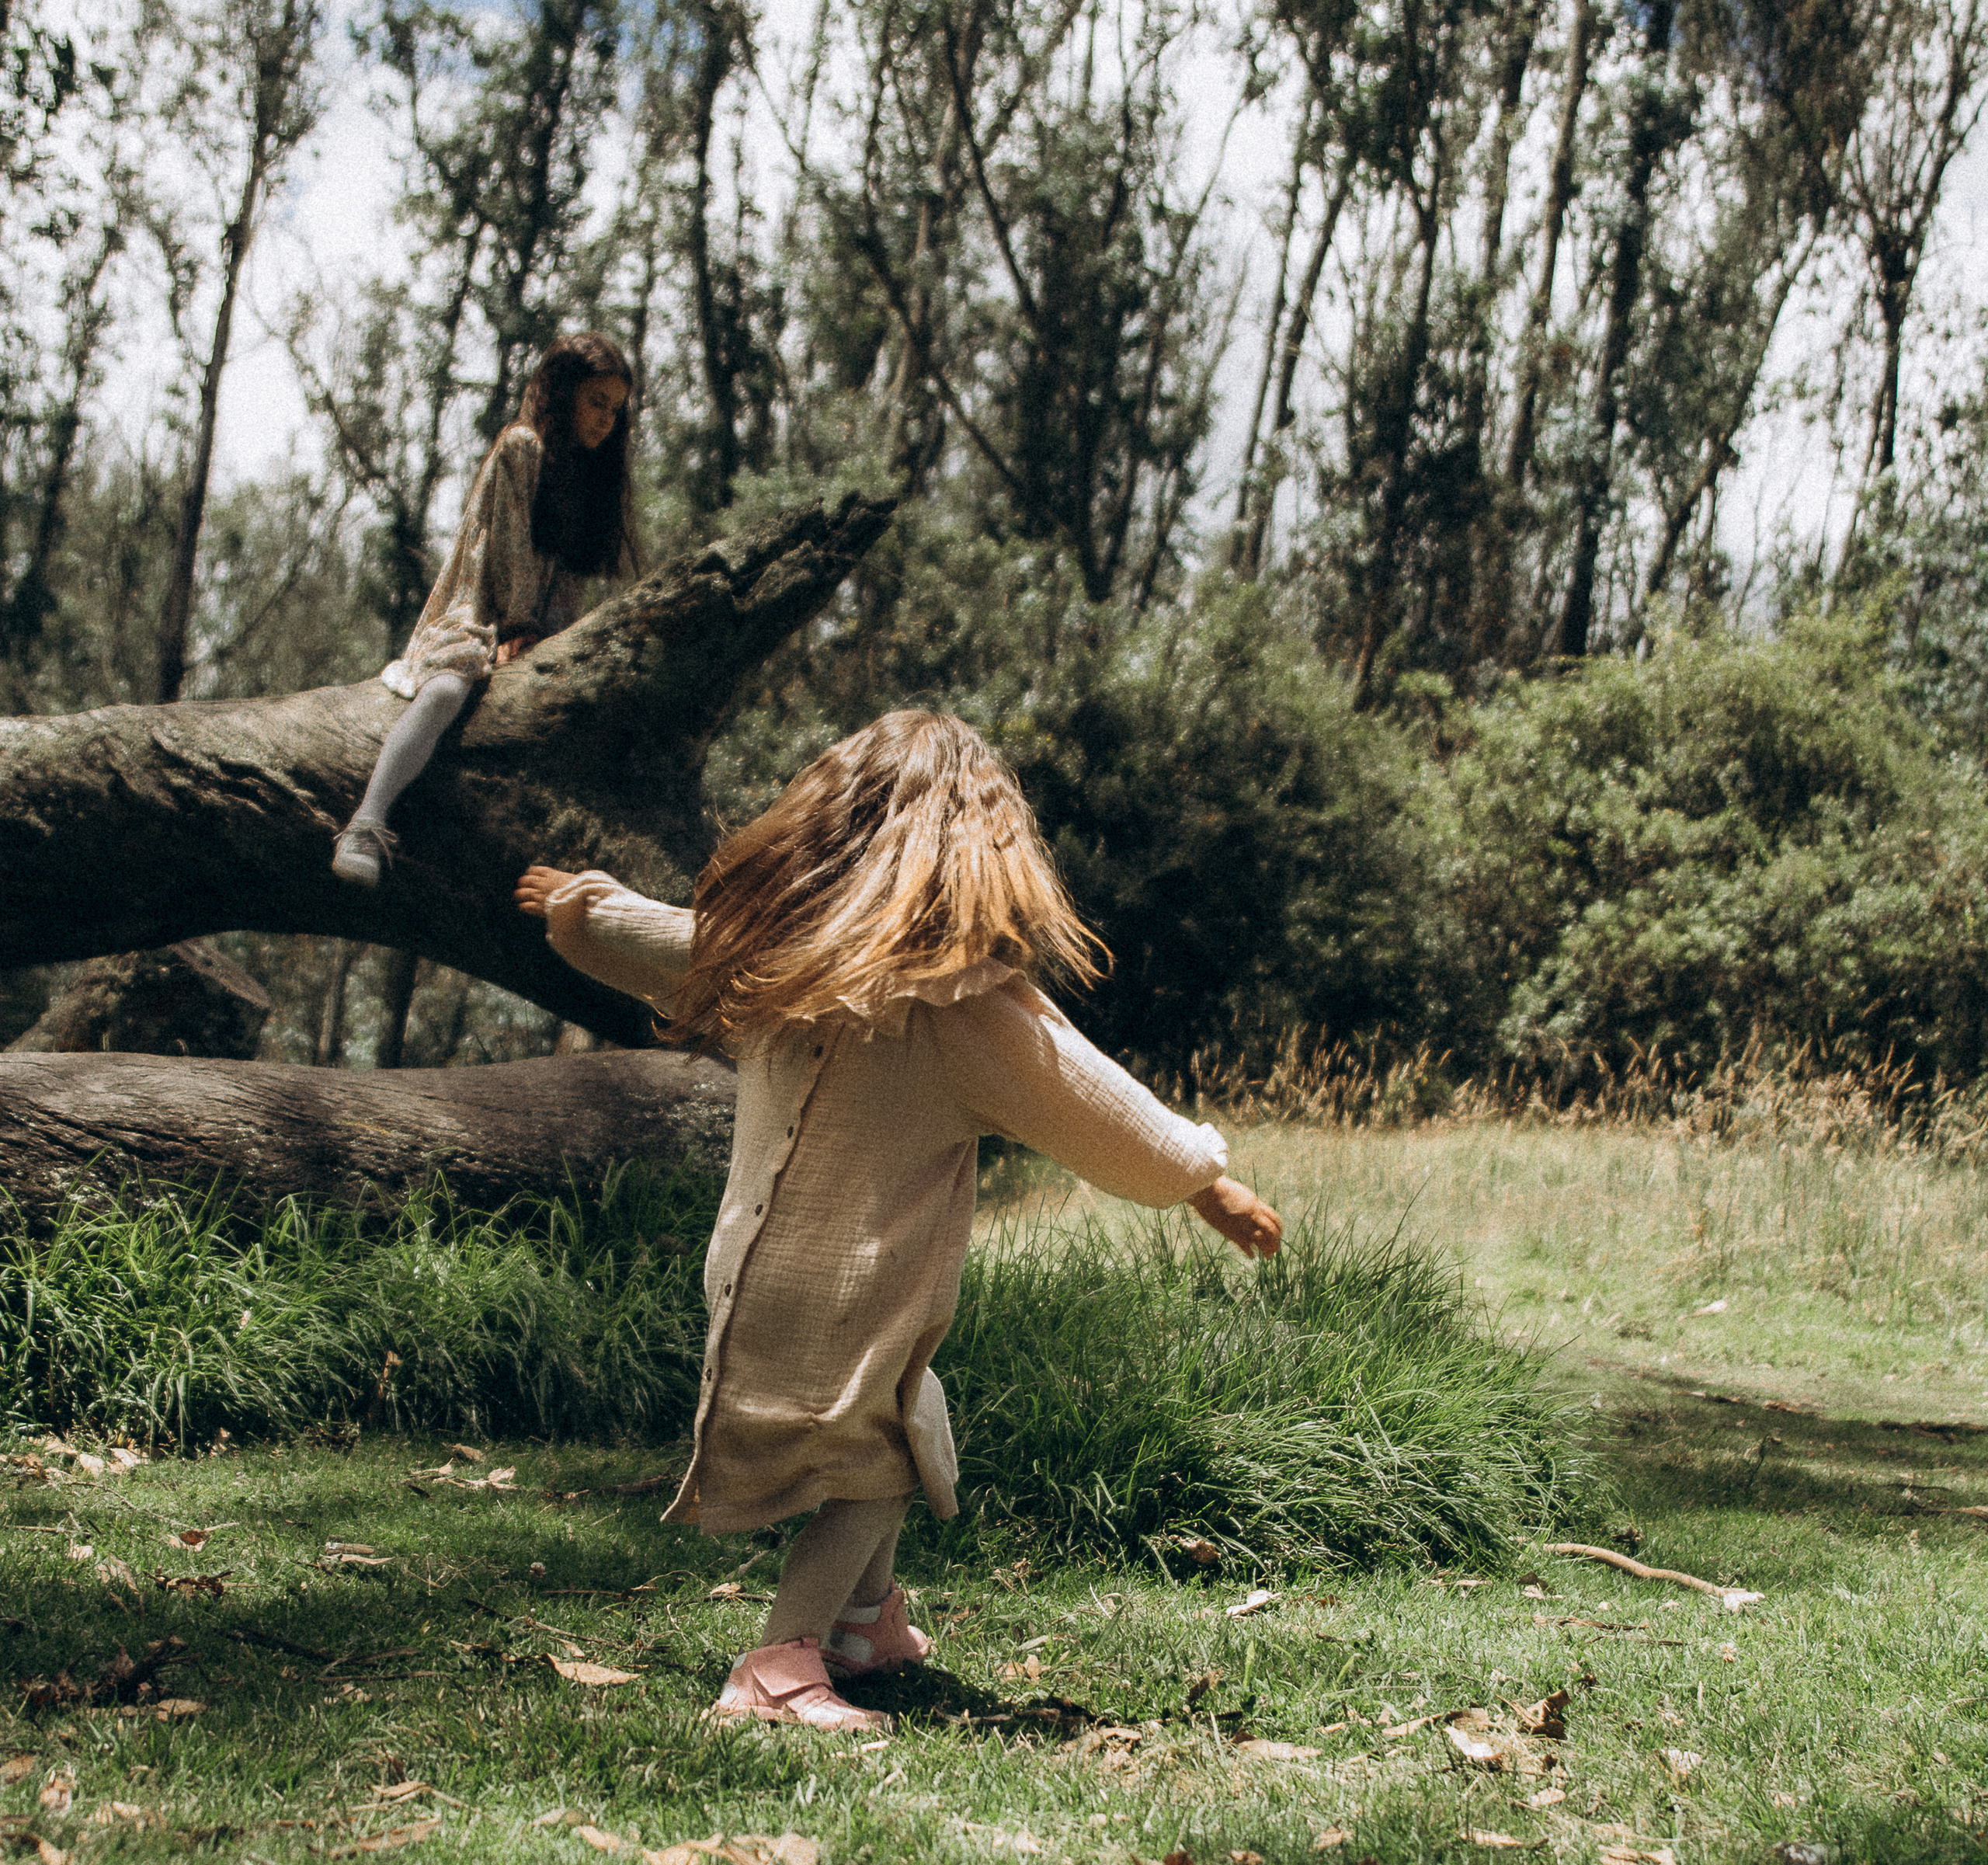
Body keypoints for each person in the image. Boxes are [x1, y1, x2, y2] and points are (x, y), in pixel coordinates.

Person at [513, 711, 1282, 1733]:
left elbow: (648, 935)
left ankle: (862, 1620)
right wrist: (1203, 1183)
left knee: (904, 1415)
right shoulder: (964, 1012)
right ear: (988, 853)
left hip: (753, 1264)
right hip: (852, 1280)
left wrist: (579, 904)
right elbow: (1100, 1110)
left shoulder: (774, 959)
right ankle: (777, 1673)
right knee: (877, 1463)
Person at [332, 332, 640, 886]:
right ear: (565, 393)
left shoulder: (591, 481)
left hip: (537, 631)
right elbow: (504, 548)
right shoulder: (522, 447)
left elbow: (568, 583)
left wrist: (554, 640)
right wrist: (517, 623)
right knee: (449, 689)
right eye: (596, 402)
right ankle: (365, 820)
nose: (605, 420)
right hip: (481, 611)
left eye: (615, 410)